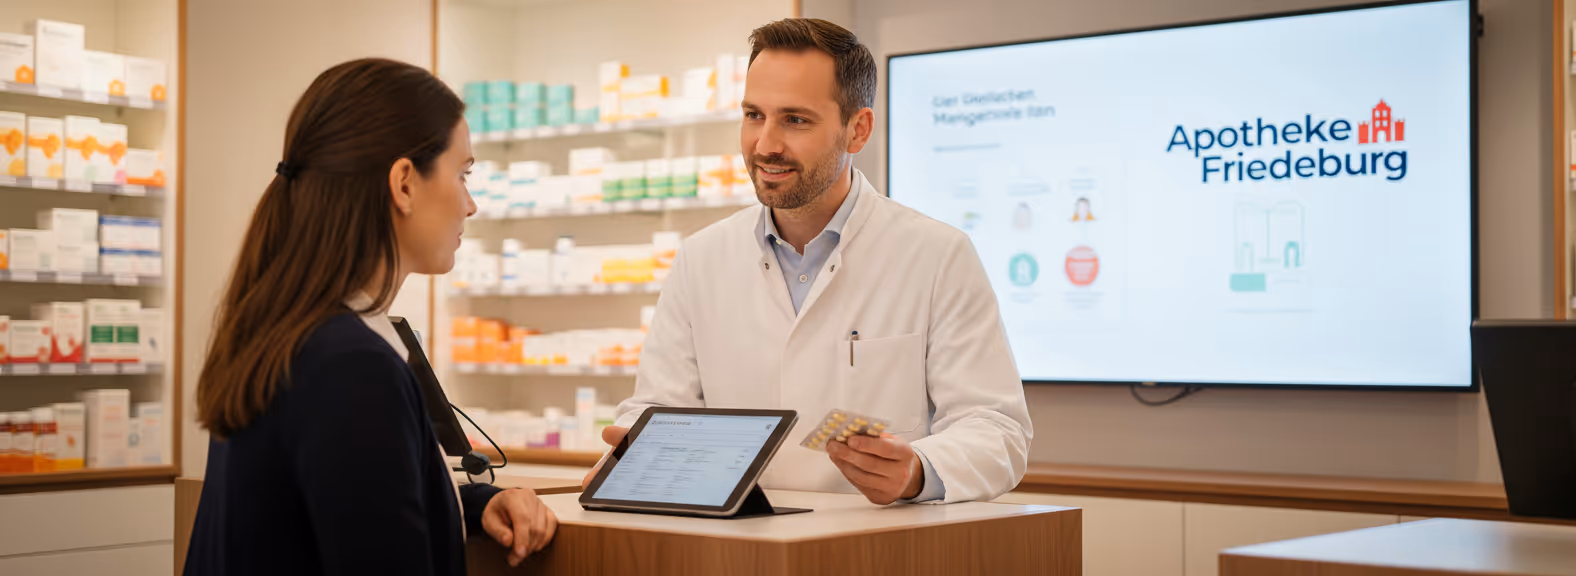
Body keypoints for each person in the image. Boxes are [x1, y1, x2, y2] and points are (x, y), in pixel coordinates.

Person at [582, 19, 1032, 505]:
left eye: (795, 119)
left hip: (874, 545)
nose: (765, 144)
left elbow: (995, 427)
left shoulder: (936, 254)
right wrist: (630, 455)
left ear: (857, 130)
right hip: (736, 546)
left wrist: (920, 471)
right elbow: (658, 406)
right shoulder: (702, 258)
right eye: (754, 115)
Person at [185, 58, 556, 576]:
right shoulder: (351, 364)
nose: (470, 205)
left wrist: (476, 505)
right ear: (404, 183)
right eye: (463, 174)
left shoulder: (288, 330)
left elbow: (339, 508)